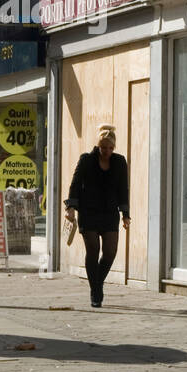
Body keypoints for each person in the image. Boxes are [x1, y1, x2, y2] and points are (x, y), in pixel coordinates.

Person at [64, 125, 130, 307]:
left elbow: (123, 189)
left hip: (109, 213)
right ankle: (96, 292)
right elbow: (75, 184)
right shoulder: (86, 160)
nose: (107, 151)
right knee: (93, 250)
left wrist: (126, 214)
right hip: (89, 211)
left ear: (114, 147)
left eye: (110, 148)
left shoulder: (119, 162)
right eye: (103, 147)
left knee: (110, 251)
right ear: (98, 145)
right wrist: (70, 207)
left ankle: (96, 284)